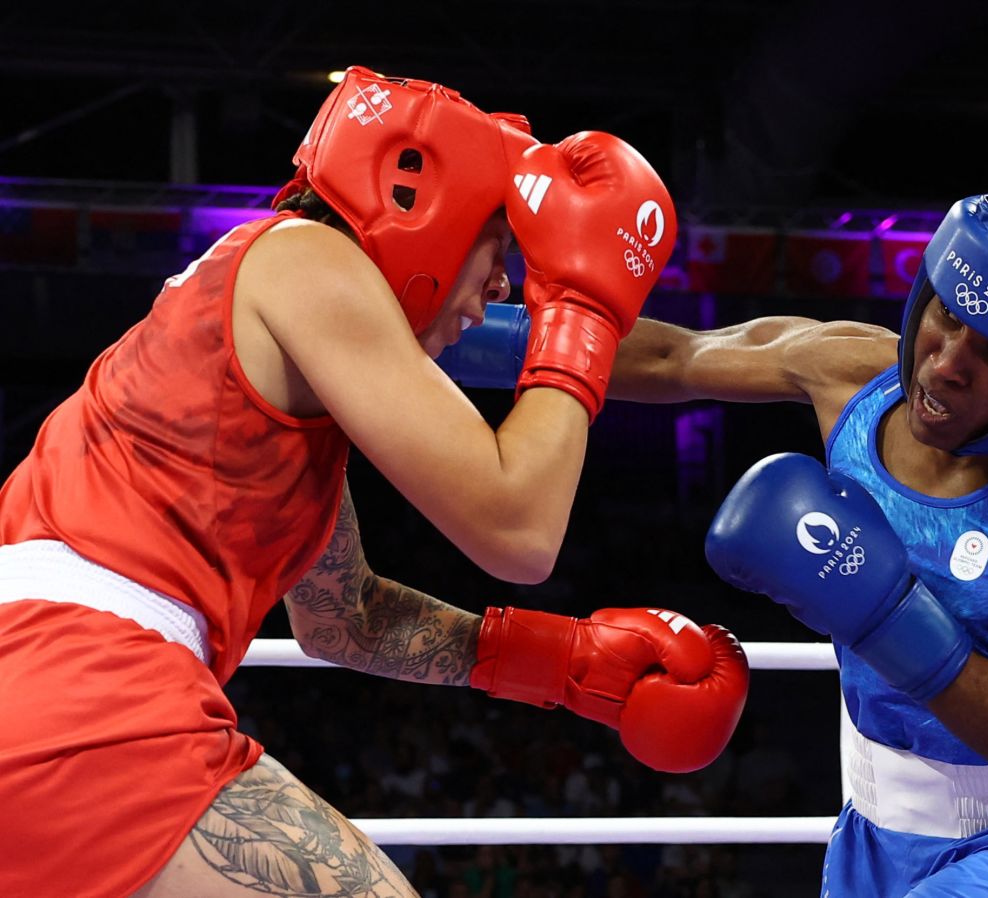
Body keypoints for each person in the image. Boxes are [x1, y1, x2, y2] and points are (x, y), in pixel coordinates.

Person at [0, 65, 748, 898]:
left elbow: (343, 620)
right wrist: (580, 308)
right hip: (81, 690)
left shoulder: (282, 358)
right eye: (501, 244)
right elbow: (518, 528)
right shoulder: (304, 258)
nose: (506, 288)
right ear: (423, 207)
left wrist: (563, 662)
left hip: (46, 687)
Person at [440, 188, 988, 895]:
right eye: (945, 315)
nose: (946, 363)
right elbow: (675, 358)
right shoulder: (853, 373)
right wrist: (437, 336)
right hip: (871, 836)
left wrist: (879, 611)